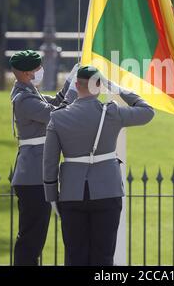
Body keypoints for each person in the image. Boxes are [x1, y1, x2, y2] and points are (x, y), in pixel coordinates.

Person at [43, 65, 155, 266]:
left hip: (71, 193)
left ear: (76, 85)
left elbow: (49, 162)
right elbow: (147, 111)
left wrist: (52, 196)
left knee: (75, 256)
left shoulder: (58, 117)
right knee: (103, 256)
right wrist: (117, 87)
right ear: (99, 86)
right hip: (107, 190)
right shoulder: (111, 112)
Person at [9, 50, 78, 266]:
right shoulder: (24, 99)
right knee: (31, 240)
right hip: (33, 178)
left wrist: (70, 81)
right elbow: (57, 114)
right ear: (28, 73)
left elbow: (56, 101)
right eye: (38, 68)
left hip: (36, 176)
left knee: (34, 239)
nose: (41, 71)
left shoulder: (29, 93)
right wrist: (75, 91)